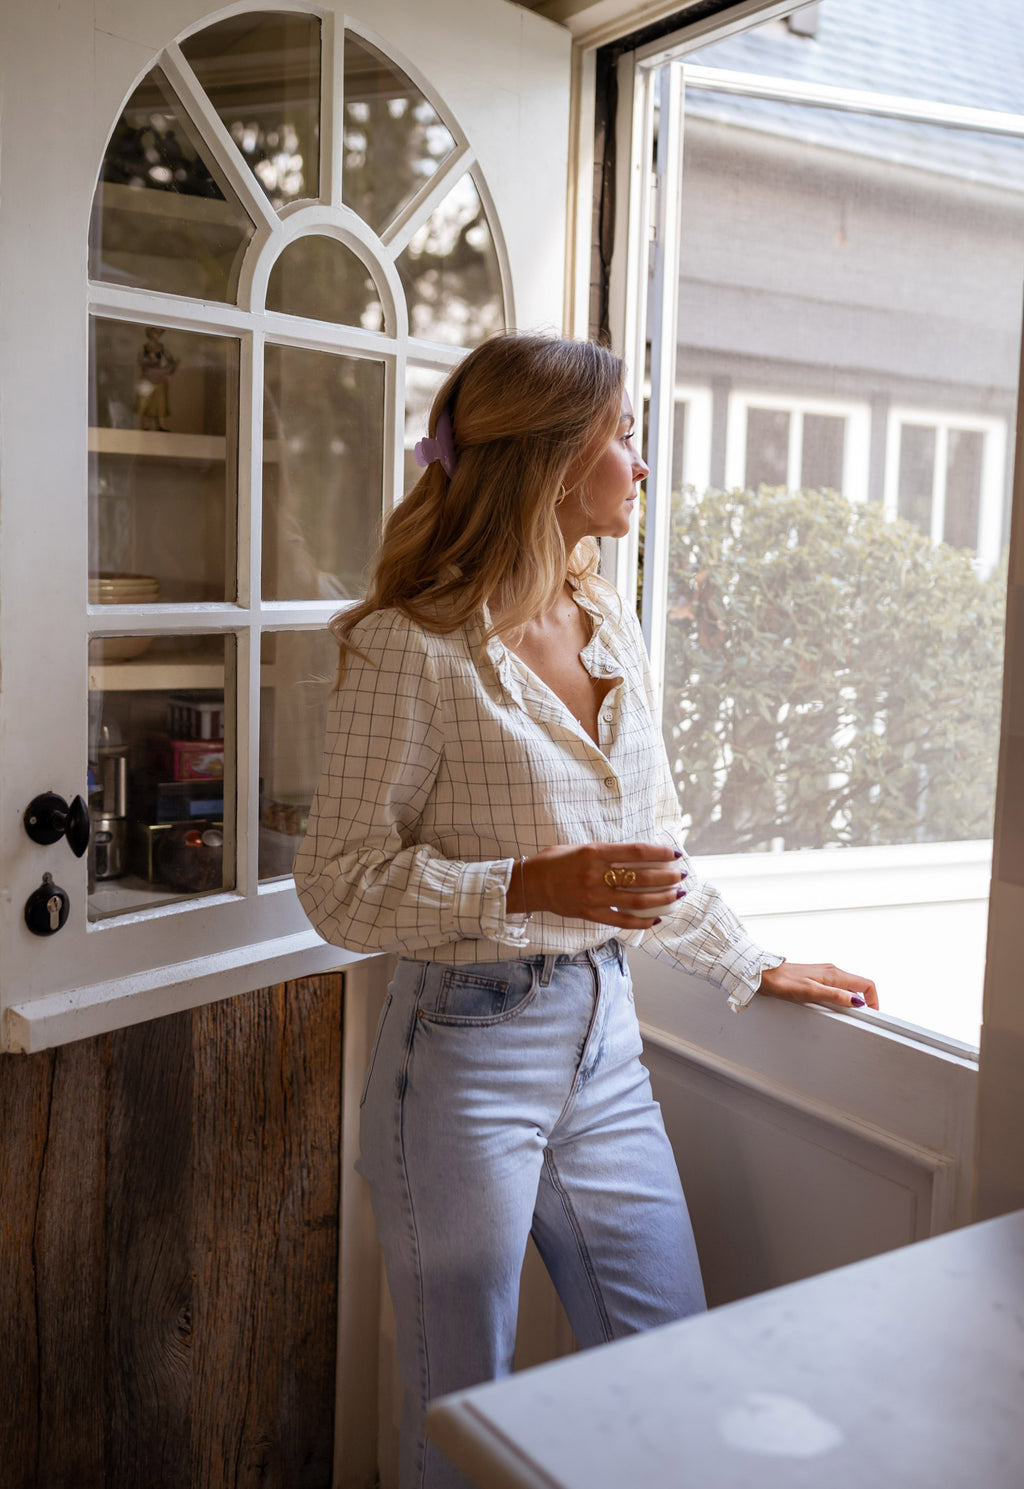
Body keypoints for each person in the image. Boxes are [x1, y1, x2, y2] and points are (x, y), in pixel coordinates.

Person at [294, 332, 877, 1489]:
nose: (639, 463)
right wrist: (524, 884)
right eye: (622, 435)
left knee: (666, 1366)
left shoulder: (609, 623)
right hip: (460, 1060)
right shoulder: (407, 647)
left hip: (606, 1047)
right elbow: (339, 886)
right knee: (458, 1417)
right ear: (556, 463)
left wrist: (749, 961)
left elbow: (648, 859)